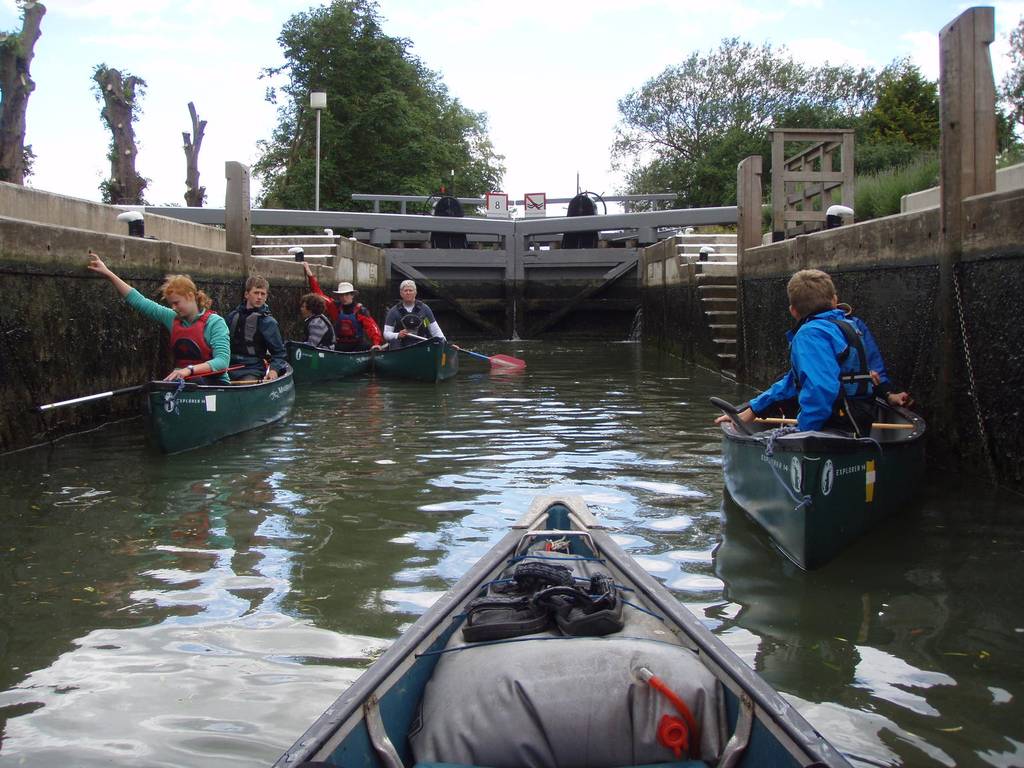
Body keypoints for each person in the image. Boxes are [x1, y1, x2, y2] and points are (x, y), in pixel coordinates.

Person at [716, 269, 911, 434]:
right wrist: (754, 408)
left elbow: (820, 389)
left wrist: (802, 434)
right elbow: (793, 381)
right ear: (834, 300)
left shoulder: (810, 335)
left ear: (793, 311)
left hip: (837, 422)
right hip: (860, 417)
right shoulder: (850, 325)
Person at [86, 250, 230, 383]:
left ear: (190, 296)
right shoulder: (171, 318)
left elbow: (222, 361)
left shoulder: (215, 323)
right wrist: (108, 274)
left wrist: (189, 370)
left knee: (195, 381)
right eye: (171, 304)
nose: (173, 308)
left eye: (176, 303)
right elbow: (140, 301)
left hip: (215, 384)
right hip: (184, 383)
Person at [301, 262, 384, 352]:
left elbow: (373, 328)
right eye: (342, 295)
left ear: (352, 295)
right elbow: (318, 294)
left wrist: (376, 344)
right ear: (339, 296)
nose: (344, 297)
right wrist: (310, 275)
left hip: (357, 345)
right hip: (339, 345)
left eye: (347, 294)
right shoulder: (334, 306)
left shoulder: (360, 311)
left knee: (367, 347)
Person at [225, 275, 288, 383]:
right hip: (228, 366)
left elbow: (279, 353)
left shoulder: (268, 322)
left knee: (246, 386)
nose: (259, 297)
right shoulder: (232, 316)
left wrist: (274, 370)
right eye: (256, 293)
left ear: (266, 297)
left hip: (252, 369)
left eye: (262, 294)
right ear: (246, 294)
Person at [382, 279, 446, 350]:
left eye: (410, 290)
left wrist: (445, 344)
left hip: (421, 344)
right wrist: (398, 335)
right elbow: (386, 334)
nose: (408, 293)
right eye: (405, 291)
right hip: (401, 346)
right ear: (401, 293)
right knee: (394, 342)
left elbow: (435, 331)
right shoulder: (393, 312)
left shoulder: (425, 310)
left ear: (415, 293)